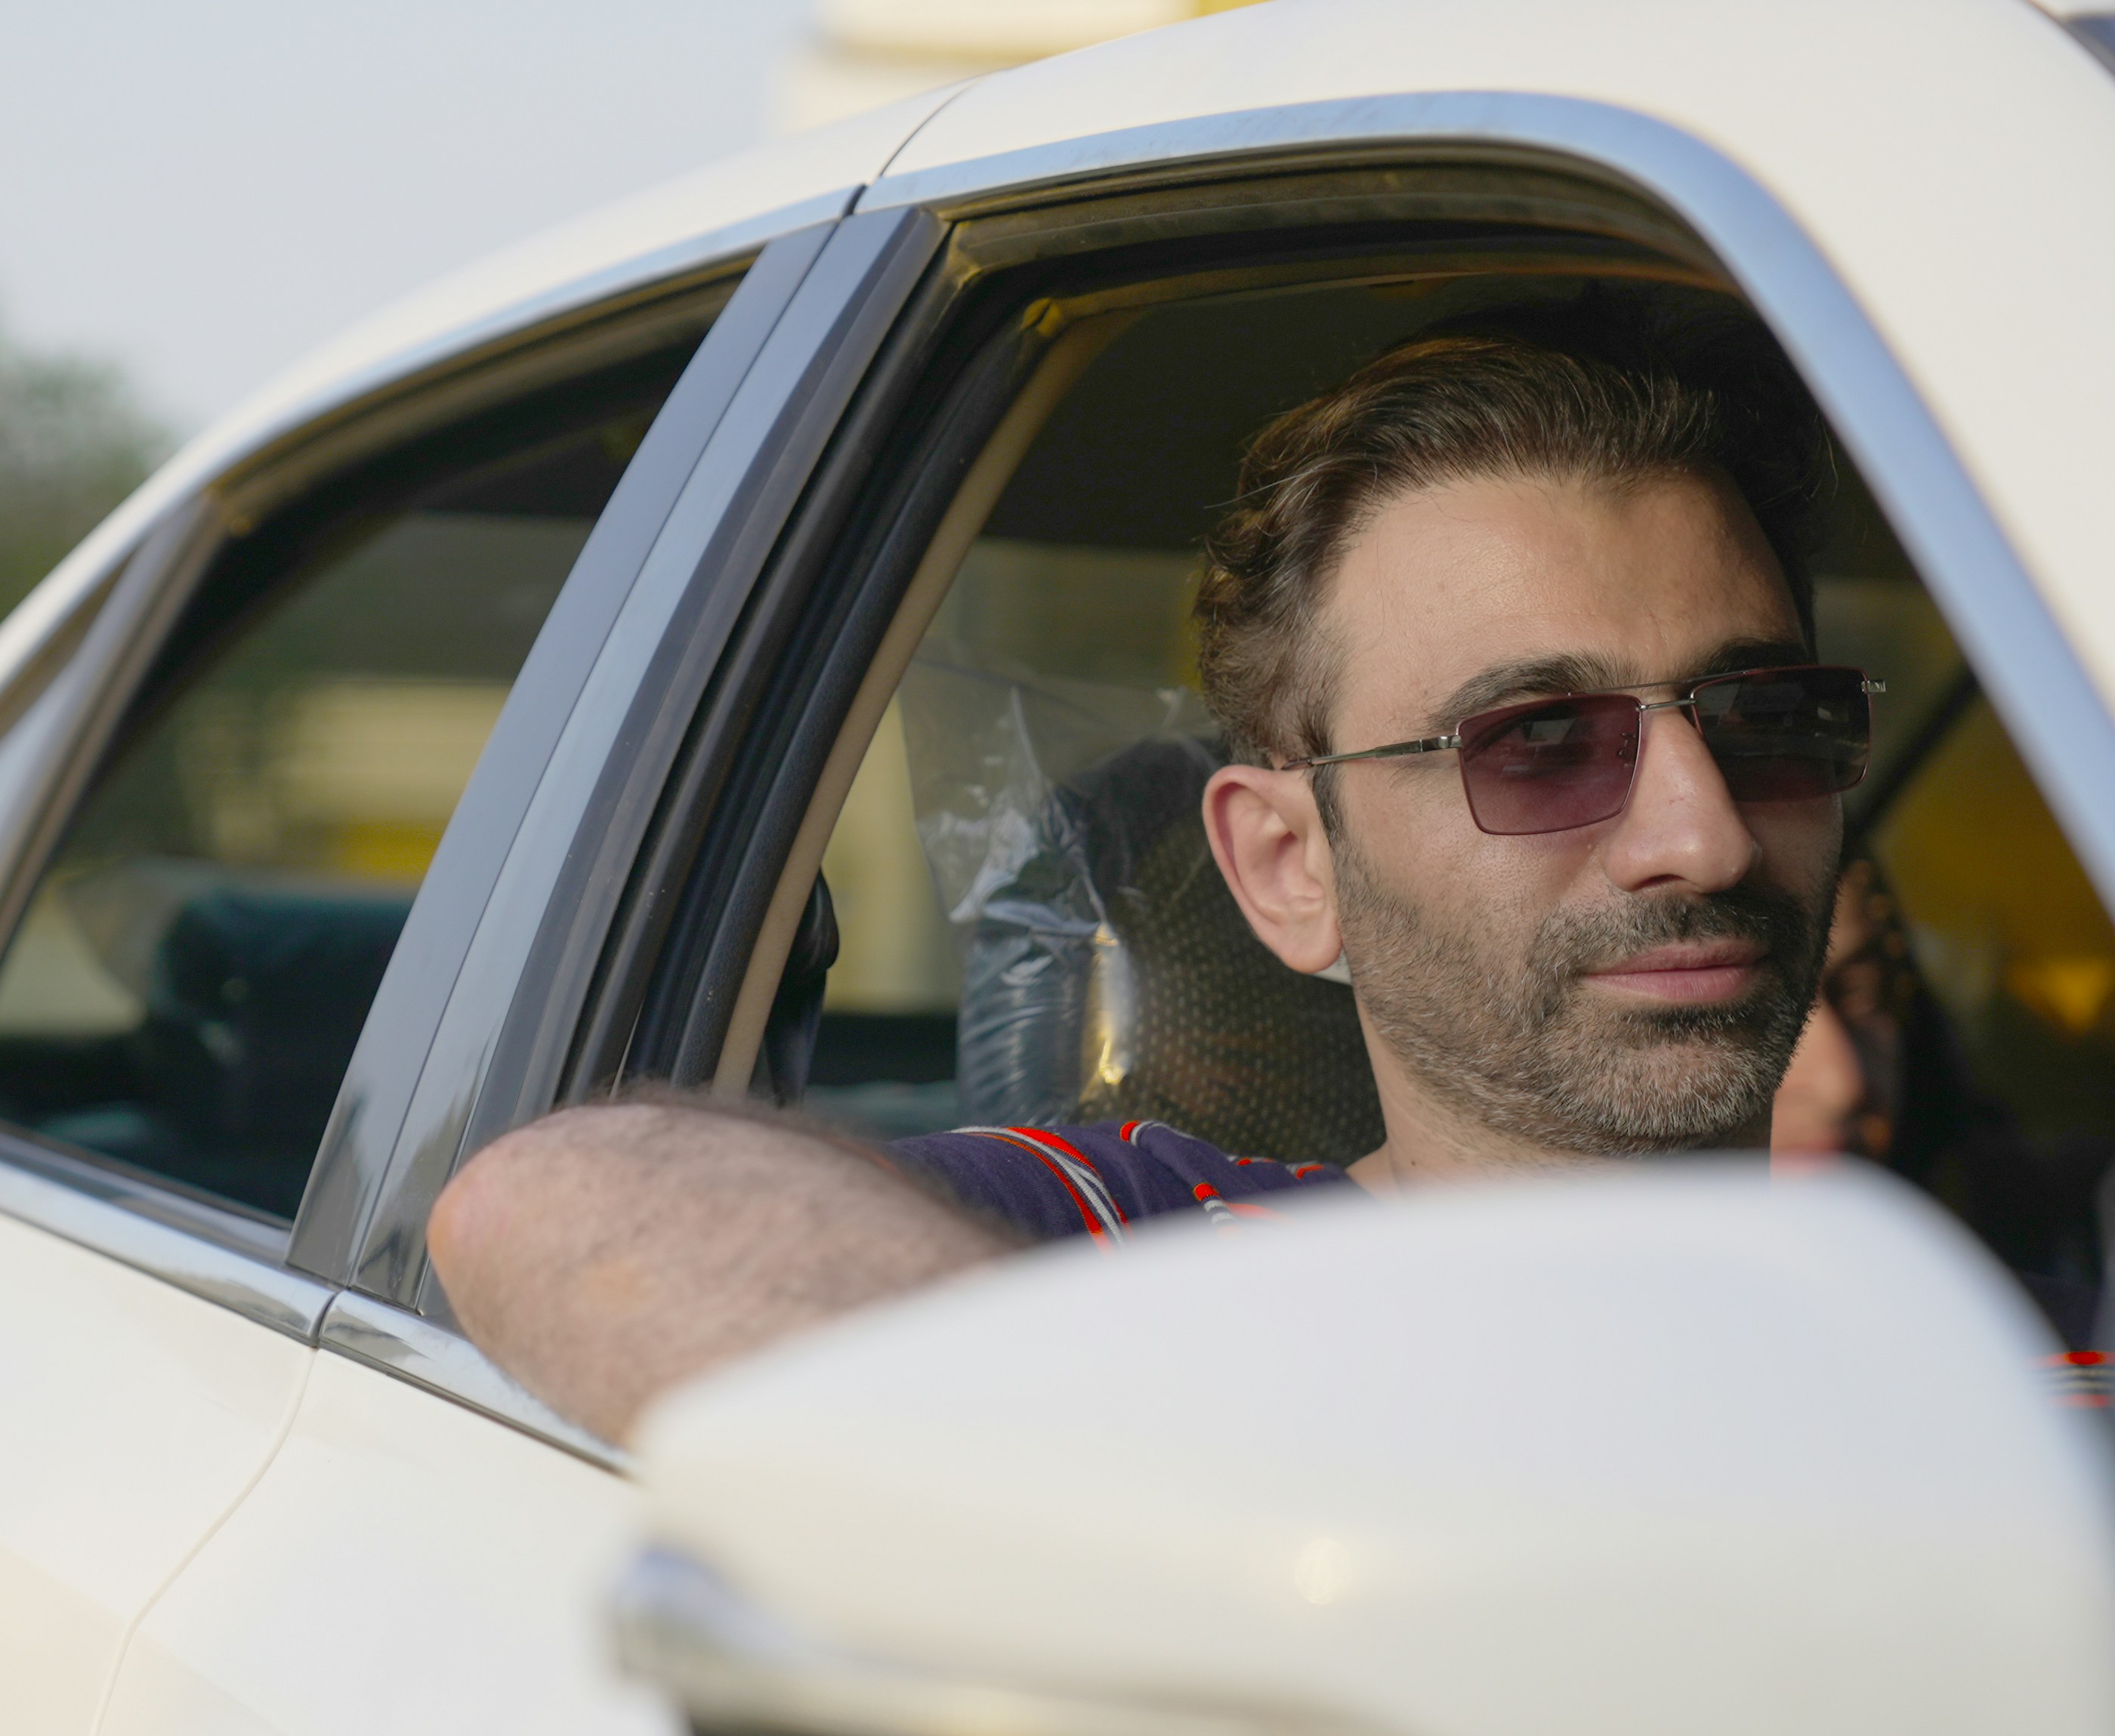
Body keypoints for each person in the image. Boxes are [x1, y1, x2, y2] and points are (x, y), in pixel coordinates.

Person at [428, 297, 1878, 1442]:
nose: (1706, 833)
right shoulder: (1126, 1257)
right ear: (1290, 865)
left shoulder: (2064, 1344)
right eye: (1542, 739)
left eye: (1764, 718)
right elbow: (555, 1206)